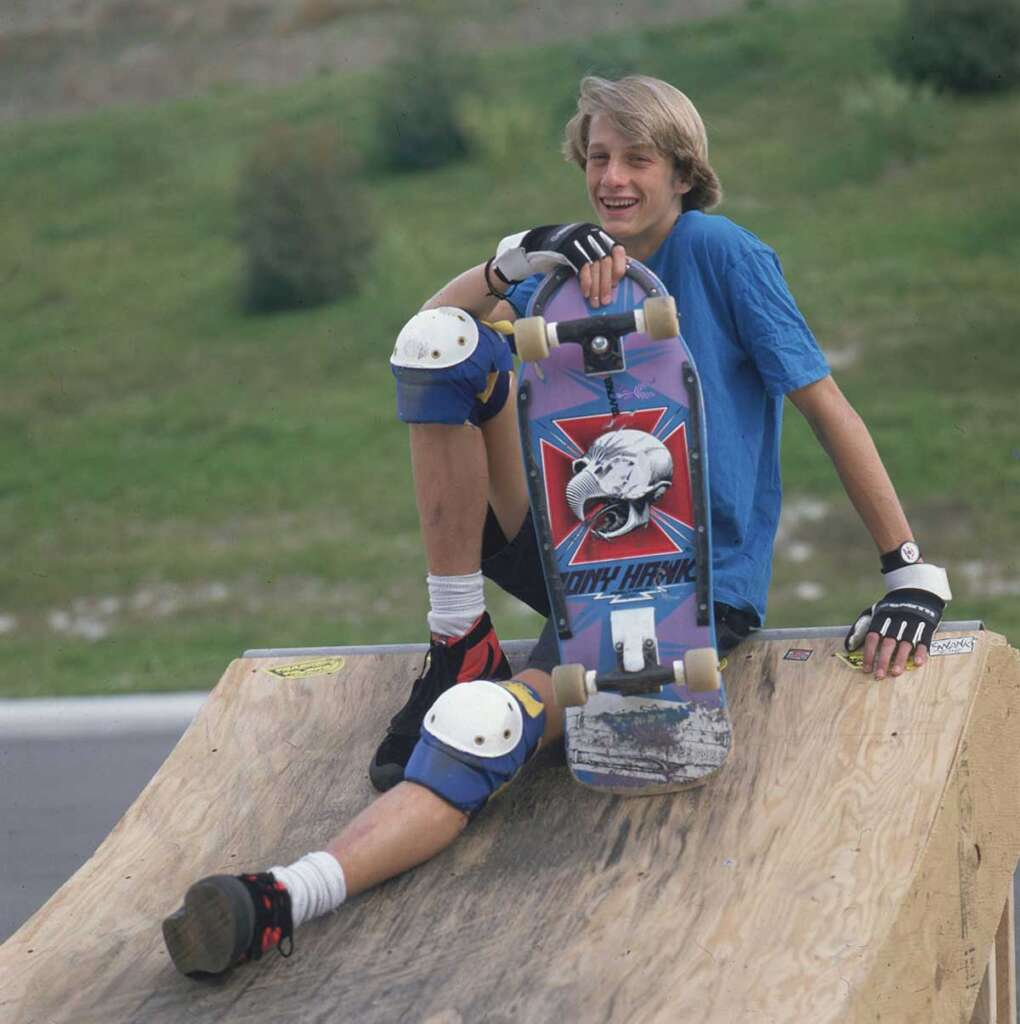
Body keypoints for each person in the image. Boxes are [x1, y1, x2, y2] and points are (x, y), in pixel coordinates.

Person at [162, 75, 951, 977]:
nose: (613, 178)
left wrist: (908, 572)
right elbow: (424, 335)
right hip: (570, 553)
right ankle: (458, 633)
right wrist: (514, 262)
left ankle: (282, 896)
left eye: (638, 160)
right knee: (442, 345)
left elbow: (824, 403)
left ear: (683, 172)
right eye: (600, 158)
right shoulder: (566, 279)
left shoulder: (723, 253)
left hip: (684, 592)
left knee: (481, 725)